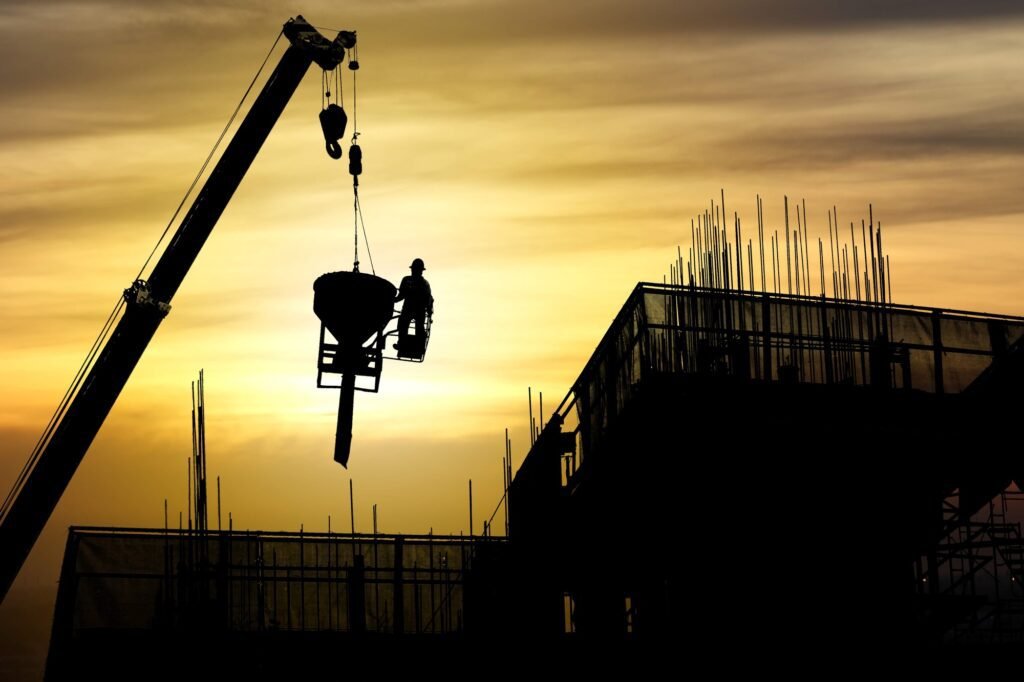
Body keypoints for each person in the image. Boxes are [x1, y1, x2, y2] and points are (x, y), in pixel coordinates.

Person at [395, 258, 433, 353]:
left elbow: (428, 299)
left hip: (418, 311)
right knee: (403, 324)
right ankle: (402, 344)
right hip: (409, 309)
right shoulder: (407, 280)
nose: (413, 271)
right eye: (413, 269)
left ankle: (419, 346)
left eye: (415, 269)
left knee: (419, 328)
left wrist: (429, 310)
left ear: (420, 271)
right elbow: (401, 296)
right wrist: (391, 300)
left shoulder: (424, 284)